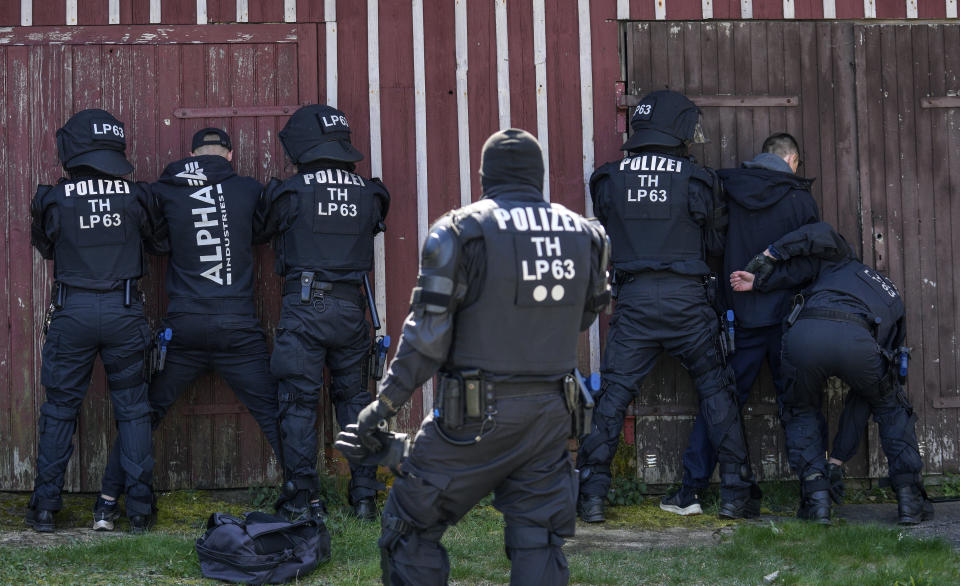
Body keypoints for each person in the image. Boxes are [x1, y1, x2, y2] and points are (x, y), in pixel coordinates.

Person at [343, 128, 610, 585]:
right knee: (538, 537)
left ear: (485, 176)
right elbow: (585, 316)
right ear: (538, 176)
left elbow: (426, 340)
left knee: (409, 525)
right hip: (551, 413)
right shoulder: (585, 234)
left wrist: (382, 407)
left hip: (474, 416)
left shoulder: (460, 230)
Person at [576, 90, 759, 523]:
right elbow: (715, 243)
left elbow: (608, 231)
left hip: (635, 299)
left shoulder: (607, 178)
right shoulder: (697, 180)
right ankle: (734, 493)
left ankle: (593, 497)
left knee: (613, 397)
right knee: (716, 391)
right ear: (678, 130)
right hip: (687, 300)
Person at [95, 128, 282, 530]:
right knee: (275, 412)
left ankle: (108, 503)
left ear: (192, 153)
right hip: (238, 328)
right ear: (229, 155)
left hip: (185, 328)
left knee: (142, 415)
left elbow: (154, 239)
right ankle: (307, 500)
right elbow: (263, 232)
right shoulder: (248, 189)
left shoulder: (166, 188)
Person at [730, 221, 934, 524]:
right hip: (860, 342)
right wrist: (838, 458)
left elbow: (817, 238)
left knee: (800, 410)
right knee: (891, 407)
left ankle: (817, 504)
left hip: (805, 334)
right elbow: (866, 397)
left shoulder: (839, 260)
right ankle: (909, 501)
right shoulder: (891, 297)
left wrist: (770, 256)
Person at [666, 133, 820, 515]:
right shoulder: (800, 200)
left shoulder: (729, 192)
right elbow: (809, 264)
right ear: (793, 160)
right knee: (799, 406)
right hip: (789, 321)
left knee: (721, 403)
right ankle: (815, 500)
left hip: (740, 320)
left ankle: (694, 491)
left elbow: (711, 248)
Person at [27, 109, 163, 533]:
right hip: (124, 311)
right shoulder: (136, 195)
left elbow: (46, 246)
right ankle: (139, 510)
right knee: (134, 411)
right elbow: (157, 241)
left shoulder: (53, 197)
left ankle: (46, 508)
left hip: (73, 310)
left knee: (60, 409)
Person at [262, 105, 390, 521]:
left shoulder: (290, 191)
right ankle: (366, 496)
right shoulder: (370, 192)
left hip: (305, 305)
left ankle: (302, 498)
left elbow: (266, 227)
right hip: (352, 308)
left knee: (297, 403)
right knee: (355, 400)